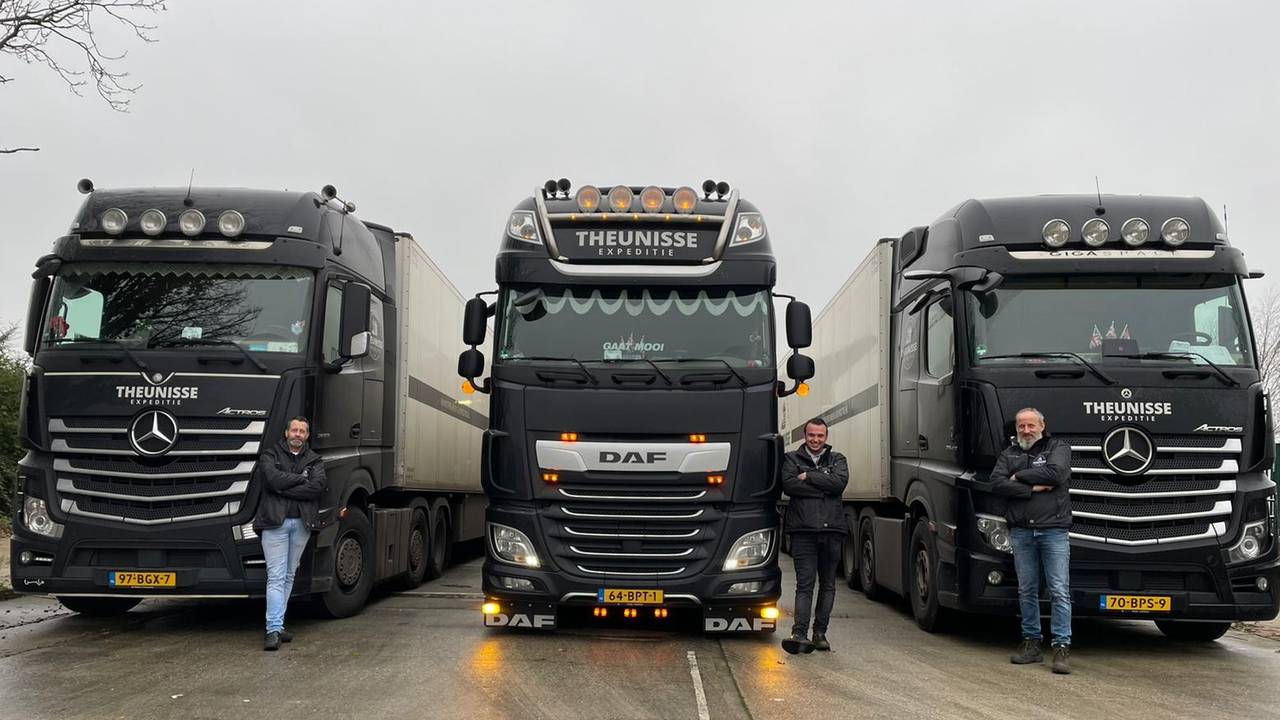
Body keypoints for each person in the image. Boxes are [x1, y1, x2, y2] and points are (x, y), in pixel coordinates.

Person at [991, 407, 1073, 674]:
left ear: (1042, 425)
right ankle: (1032, 644)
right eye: (1021, 426)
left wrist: (1018, 477)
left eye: (1031, 425)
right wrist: (1032, 488)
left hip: (1053, 530)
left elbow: (1056, 474)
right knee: (1026, 590)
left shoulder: (1057, 447)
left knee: (1059, 590)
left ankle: (1061, 647)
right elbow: (997, 484)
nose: (1026, 431)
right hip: (1022, 531)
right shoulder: (1009, 453)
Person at [253, 416, 327, 651]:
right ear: (286, 433)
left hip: (301, 525)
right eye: (294, 430)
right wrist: (300, 478)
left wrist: (285, 487)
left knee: (288, 576)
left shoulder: (315, 460)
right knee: (276, 577)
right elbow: (272, 480)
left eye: (302, 431)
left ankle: (279, 625)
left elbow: (317, 487)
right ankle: (272, 630)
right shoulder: (270, 455)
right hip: (275, 524)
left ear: (307, 436)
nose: (297, 434)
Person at [780, 417, 849, 654]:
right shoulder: (791, 459)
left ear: (826, 437)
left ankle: (820, 634)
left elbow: (838, 484)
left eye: (820, 436)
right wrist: (824, 485)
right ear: (805, 435)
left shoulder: (838, 459)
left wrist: (808, 476)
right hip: (803, 532)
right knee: (805, 585)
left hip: (832, 532)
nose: (816, 440)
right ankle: (799, 633)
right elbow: (789, 486)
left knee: (828, 584)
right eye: (812, 435)